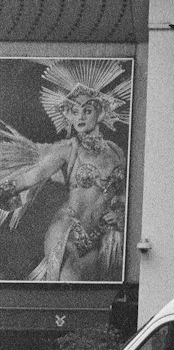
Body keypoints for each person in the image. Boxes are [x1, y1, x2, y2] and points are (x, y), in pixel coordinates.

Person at [0, 60, 130, 281]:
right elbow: (35, 175)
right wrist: (6, 188)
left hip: (100, 236)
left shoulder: (116, 152)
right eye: (74, 111)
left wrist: (119, 214)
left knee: (87, 295)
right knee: (67, 281)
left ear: (100, 114)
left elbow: (122, 193)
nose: (80, 116)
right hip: (67, 229)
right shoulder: (68, 148)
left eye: (87, 110)